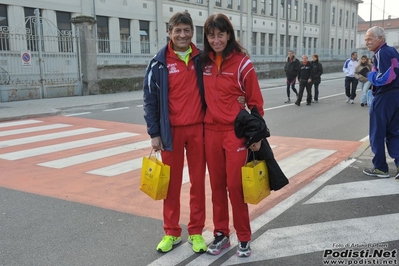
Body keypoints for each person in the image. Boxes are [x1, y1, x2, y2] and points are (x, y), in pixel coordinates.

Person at [142, 11, 208, 254]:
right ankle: (171, 232)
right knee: (171, 185)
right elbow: (149, 100)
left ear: (192, 32)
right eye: (177, 30)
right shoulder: (158, 62)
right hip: (170, 133)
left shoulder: (202, 59)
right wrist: (154, 132)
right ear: (169, 33)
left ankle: (196, 231)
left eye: (186, 30)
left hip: (198, 130)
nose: (182, 34)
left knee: (198, 183)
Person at [201, 13, 265, 258]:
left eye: (221, 34)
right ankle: (221, 235)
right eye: (211, 35)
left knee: (235, 187)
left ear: (229, 35)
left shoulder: (242, 63)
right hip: (210, 133)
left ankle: (245, 237)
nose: (216, 40)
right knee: (216, 186)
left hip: (234, 134)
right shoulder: (203, 62)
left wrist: (257, 135)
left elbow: (255, 102)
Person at [362, 26, 399, 179]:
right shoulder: (392, 51)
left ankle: (381, 168)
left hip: (385, 97)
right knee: (394, 133)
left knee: (377, 133)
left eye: (370, 39)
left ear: (380, 39)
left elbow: (386, 78)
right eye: (366, 39)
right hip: (395, 96)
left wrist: (369, 75)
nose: (367, 42)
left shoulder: (382, 52)